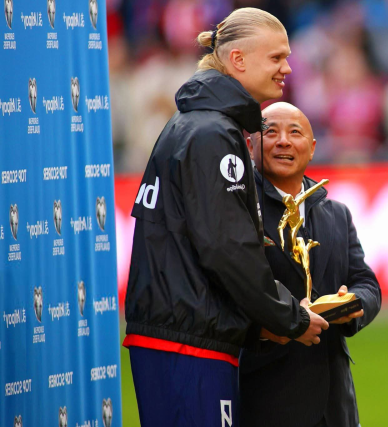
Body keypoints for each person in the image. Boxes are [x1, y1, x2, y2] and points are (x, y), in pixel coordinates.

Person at [123, 9, 329, 427]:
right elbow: (228, 248)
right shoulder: (212, 133)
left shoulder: (199, 125)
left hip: (183, 335)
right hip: (187, 344)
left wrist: (258, 327)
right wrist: (289, 317)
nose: (287, 68)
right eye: (276, 58)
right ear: (238, 60)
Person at [241, 102, 382, 427]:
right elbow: (232, 293)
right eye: (270, 132)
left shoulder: (337, 213)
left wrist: (352, 304)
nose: (283, 141)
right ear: (250, 145)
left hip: (335, 404)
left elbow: (367, 283)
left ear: (313, 147)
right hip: (267, 400)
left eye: (295, 132)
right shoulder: (240, 209)